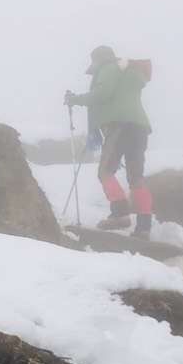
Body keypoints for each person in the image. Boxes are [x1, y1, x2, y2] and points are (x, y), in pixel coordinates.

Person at [66, 46, 154, 236]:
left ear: (98, 60)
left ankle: (120, 214)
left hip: (119, 126)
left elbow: (103, 94)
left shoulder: (109, 68)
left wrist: (75, 99)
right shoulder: (130, 72)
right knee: (136, 178)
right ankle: (144, 226)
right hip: (139, 128)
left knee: (105, 171)